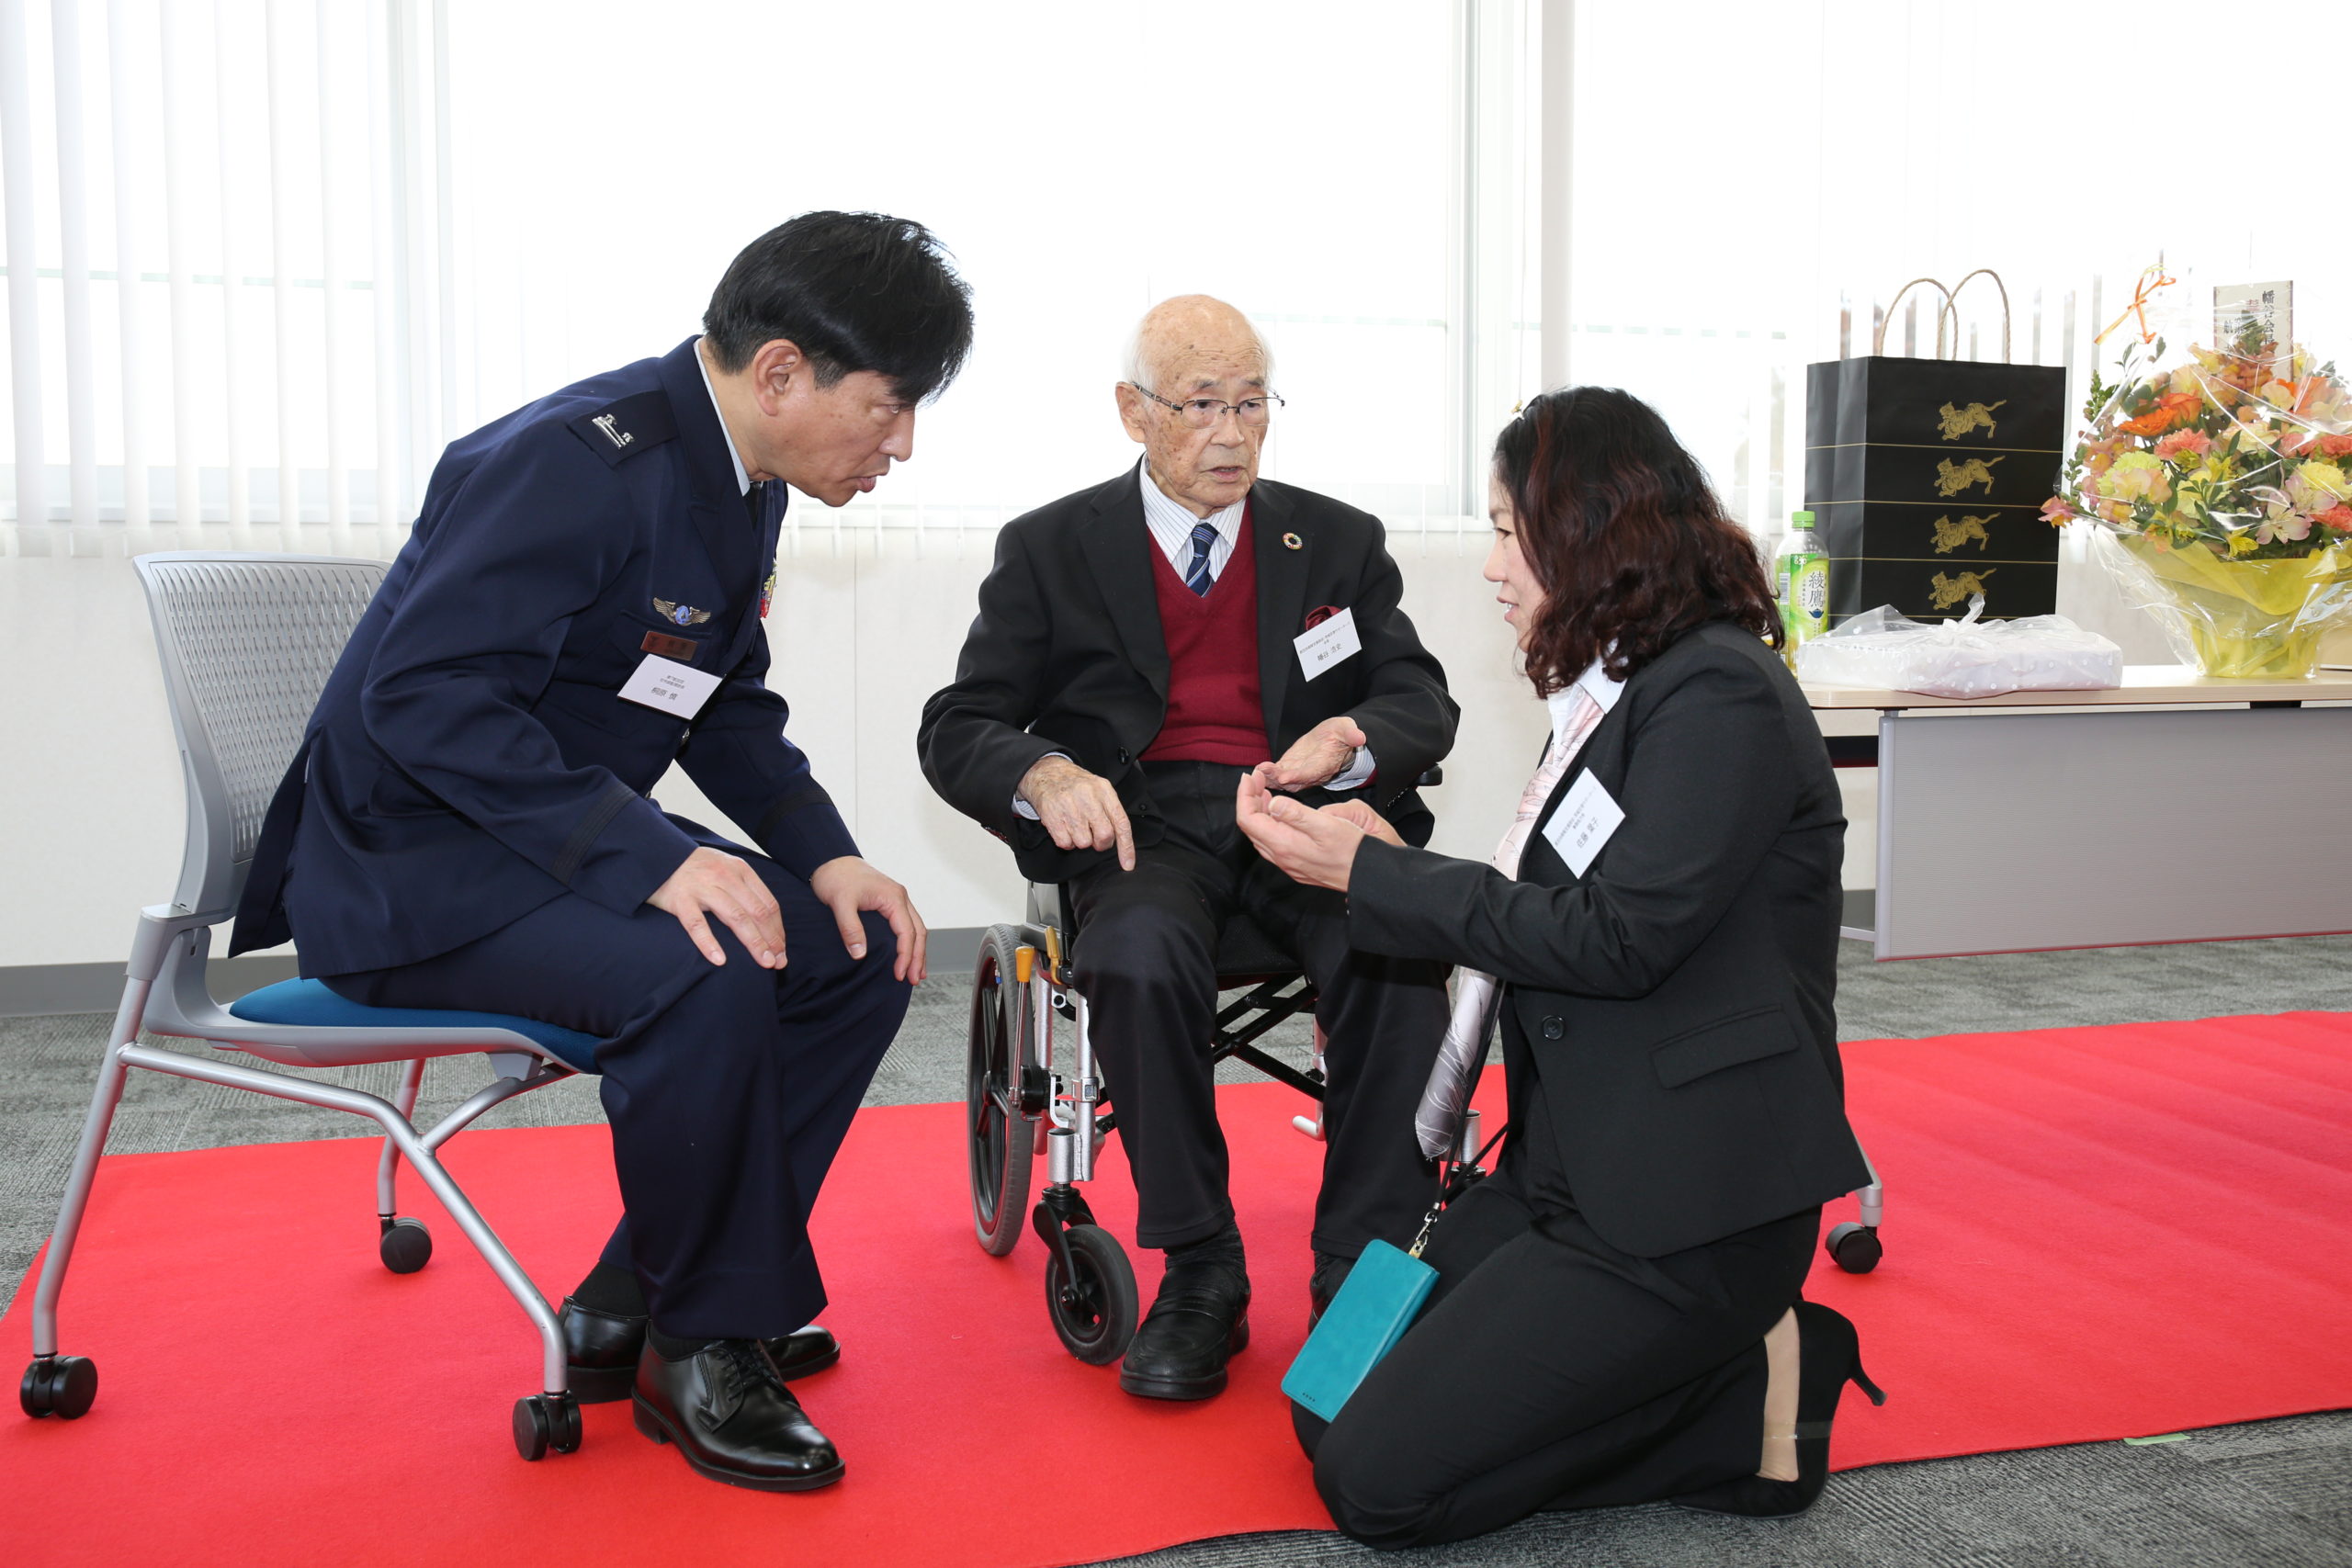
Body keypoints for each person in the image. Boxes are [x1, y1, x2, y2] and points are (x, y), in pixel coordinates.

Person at [232, 211, 974, 1492]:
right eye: (889, 405)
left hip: (544, 840)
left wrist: (828, 855)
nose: (900, 442)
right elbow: (425, 697)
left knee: (852, 948)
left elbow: (719, 699)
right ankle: (702, 1345)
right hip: (417, 868)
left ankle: (641, 1299)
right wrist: (653, 860)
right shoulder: (571, 463)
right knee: (708, 964)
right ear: (782, 372)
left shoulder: (737, 477)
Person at [1235, 387, 1880, 1546]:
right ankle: (1680, 1378)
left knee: (1377, 1488)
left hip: (1685, 1204)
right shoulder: (1615, 690)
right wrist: (1385, 862)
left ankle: (1745, 1395)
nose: (1491, 567)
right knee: (1321, 1399)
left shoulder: (1719, 692)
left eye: (1504, 530)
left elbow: (1619, 939)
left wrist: (1373, 878)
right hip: (1562, 1167)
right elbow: (1551, 907)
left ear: (1590, 529)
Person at [918, 295, 1457, 1401]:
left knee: (1397, 943)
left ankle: (1360, 1267)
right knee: (1131, 954)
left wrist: (1353, 740)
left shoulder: (1336, 540)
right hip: (1142, 827)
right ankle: (1202, 1264)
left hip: (1294, 810)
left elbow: (1417, 696)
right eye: (1202, 405)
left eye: (1251, 405)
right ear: (1134, 412)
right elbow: (959, 720)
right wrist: (1042, 771)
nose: (1231, 433)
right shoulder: (1052, 548)